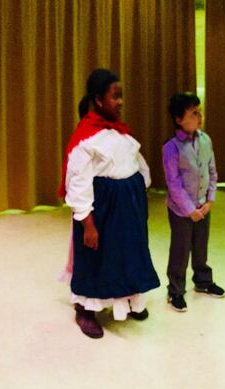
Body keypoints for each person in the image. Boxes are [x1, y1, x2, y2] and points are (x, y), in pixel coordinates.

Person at [60, 68, 159, 338]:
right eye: (115, 96)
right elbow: (78, 183)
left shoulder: (119, 133)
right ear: (99, 99)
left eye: (122, 96)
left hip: (127, 208)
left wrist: (139, 192)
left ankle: (128, 297)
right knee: (96, 257)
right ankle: (85, 308)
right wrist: (88, 224)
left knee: (127, 254)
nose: (121, 102)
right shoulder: (86, 138)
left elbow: (137, 164)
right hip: (103, 209)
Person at [162, 92, 225, 312]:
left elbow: (212, 171)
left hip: (202, 205)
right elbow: (174, 184)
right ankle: (176, 290)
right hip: (181, 211)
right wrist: (190, 210)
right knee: (181, 249)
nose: (200, 116)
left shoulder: (205, 139)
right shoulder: (171, 148)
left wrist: (210, 200)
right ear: (179, 119)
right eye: (194, 113)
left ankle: (203, 280)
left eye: (200, 111)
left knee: (201, 245)